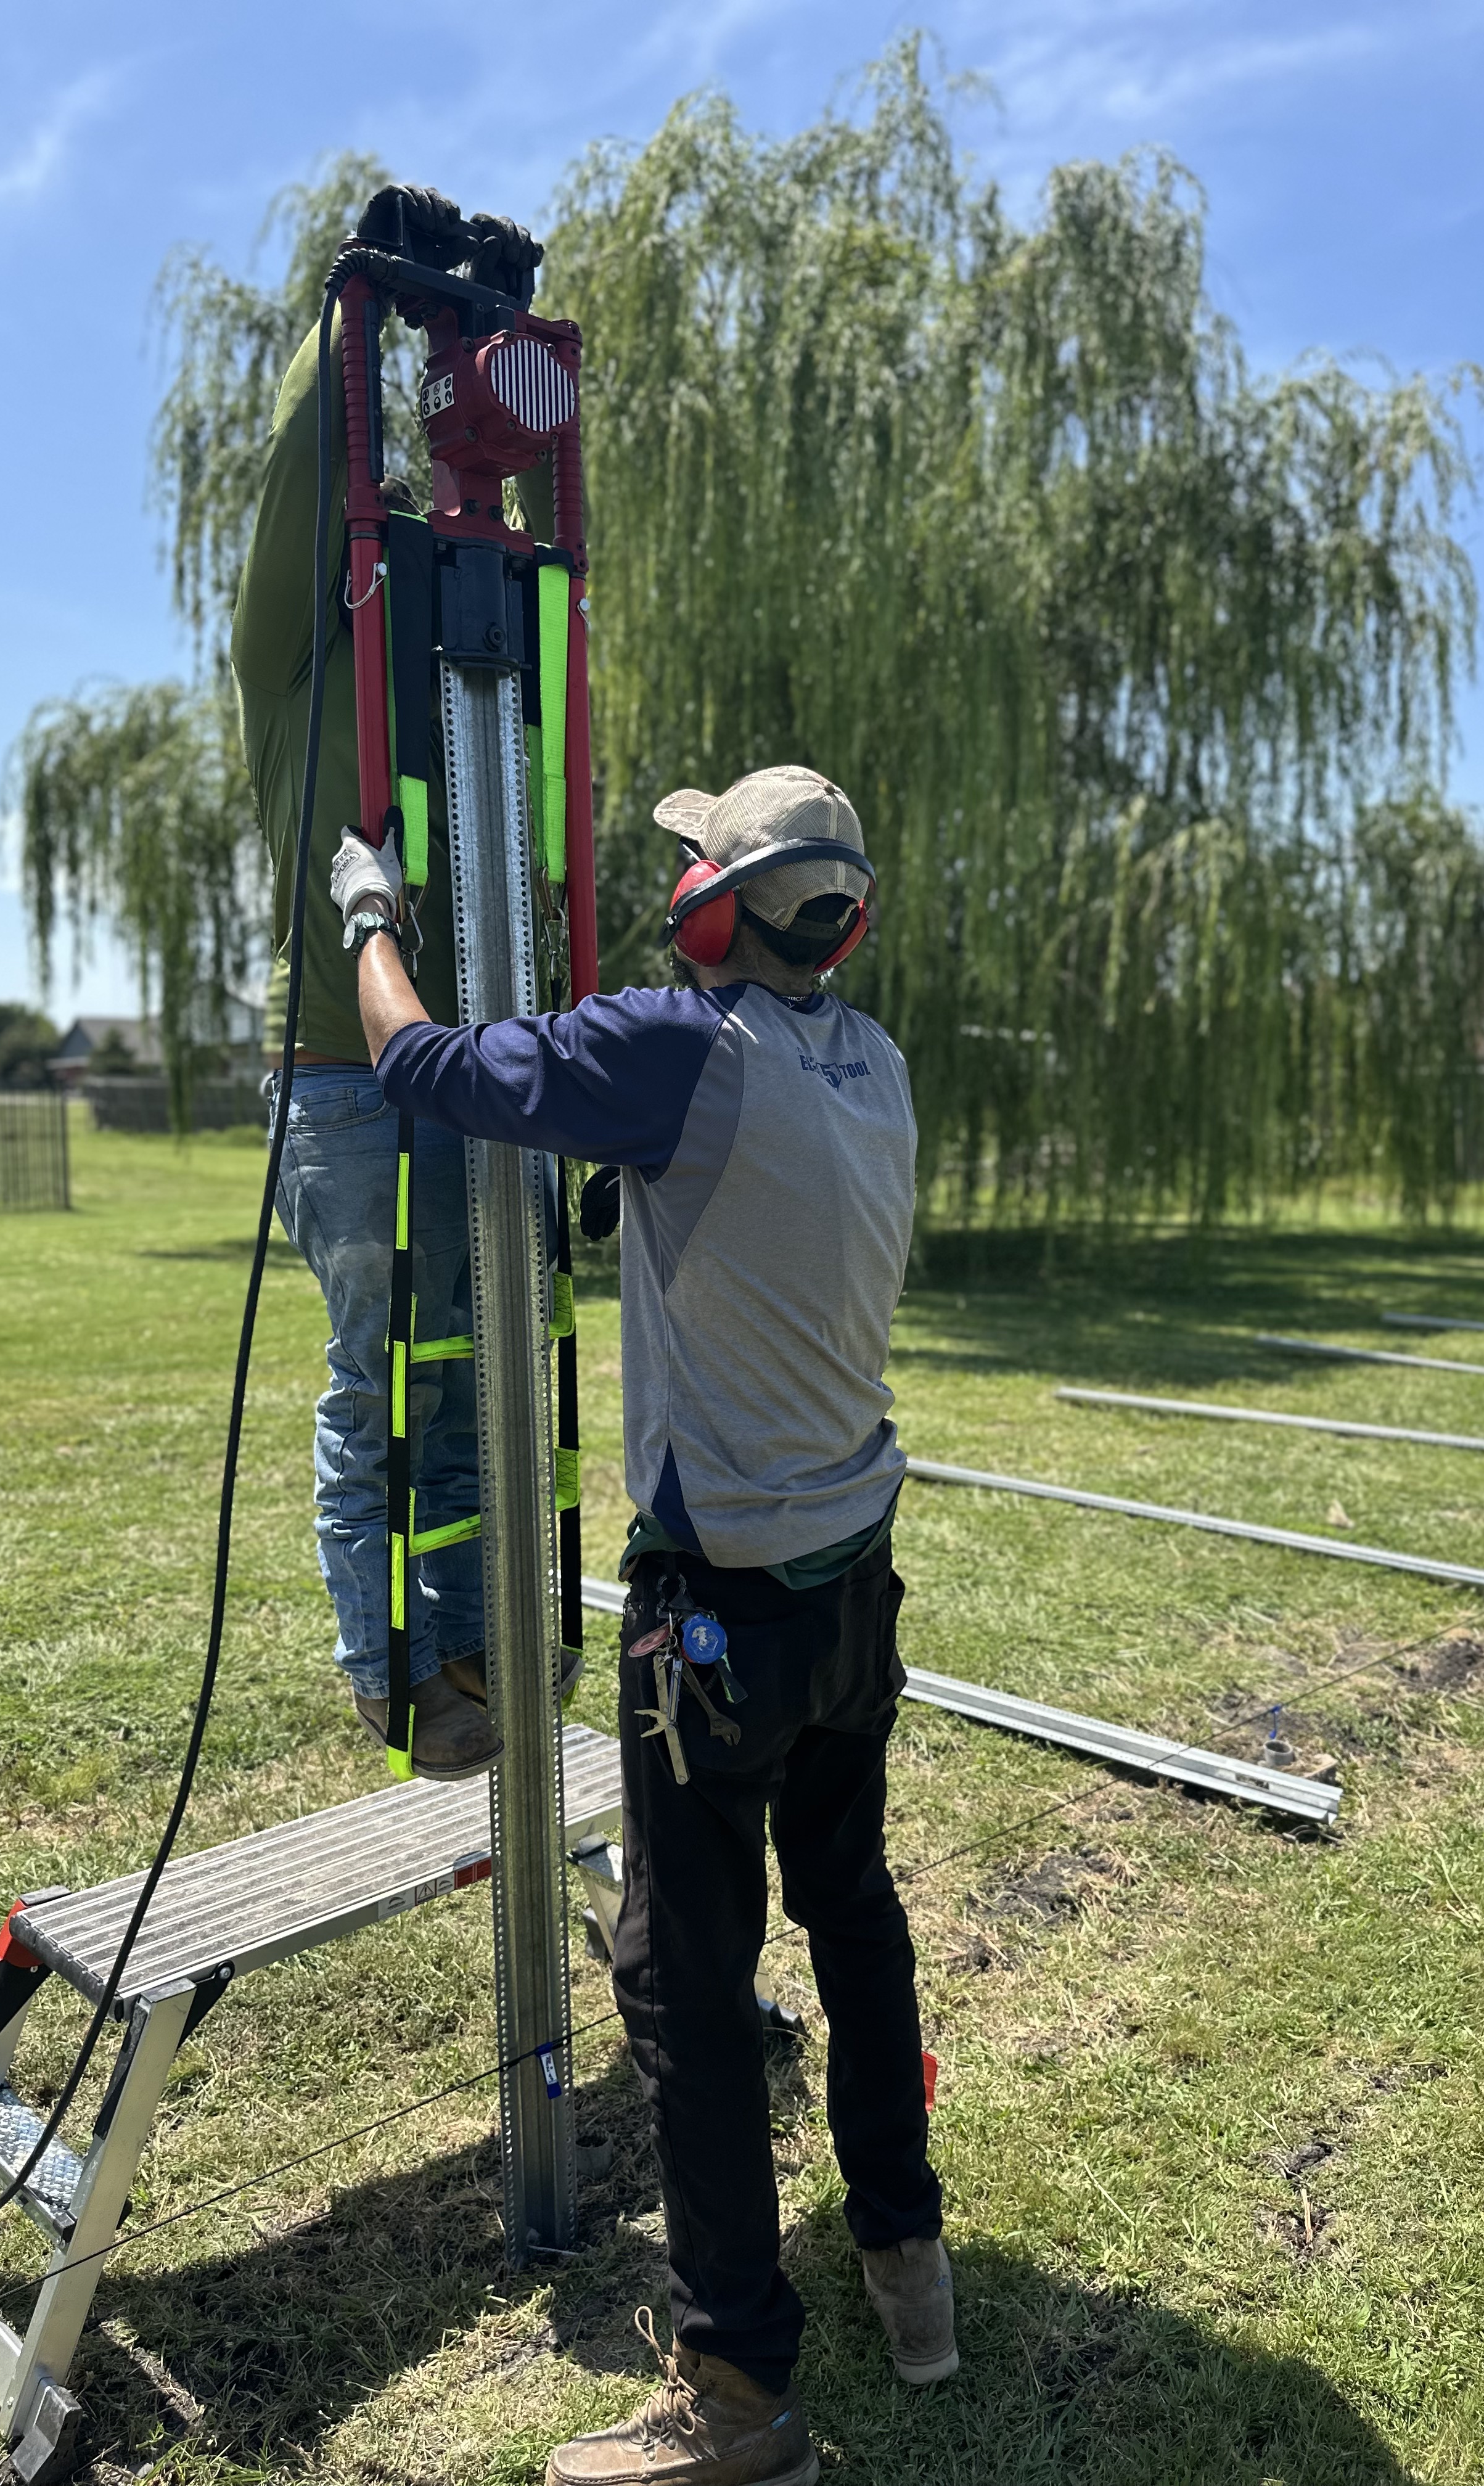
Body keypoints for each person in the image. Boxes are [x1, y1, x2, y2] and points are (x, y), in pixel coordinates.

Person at [332, 764, 954, 2486]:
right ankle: (909, 2262)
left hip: (719, 1611)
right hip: (856, 1572)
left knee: (684, 1979)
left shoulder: (675, 1051)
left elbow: (428, 1067)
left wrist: (373, 919)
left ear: (714, 912)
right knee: (852, 1904)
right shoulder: (871, 1059)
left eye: (685, 868)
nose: (666, 884)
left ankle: (739, 2396)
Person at [231, 183, 541, 1782]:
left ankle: (474, 1646)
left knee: (477, 1360)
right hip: (346, 1074)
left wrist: (484, 333)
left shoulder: (439, 637)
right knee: (377, 1369)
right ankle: (388, 1665)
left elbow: (495, 520)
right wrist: (355, 313)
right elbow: (311, 488)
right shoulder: (298, 645)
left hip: (463, 1052)